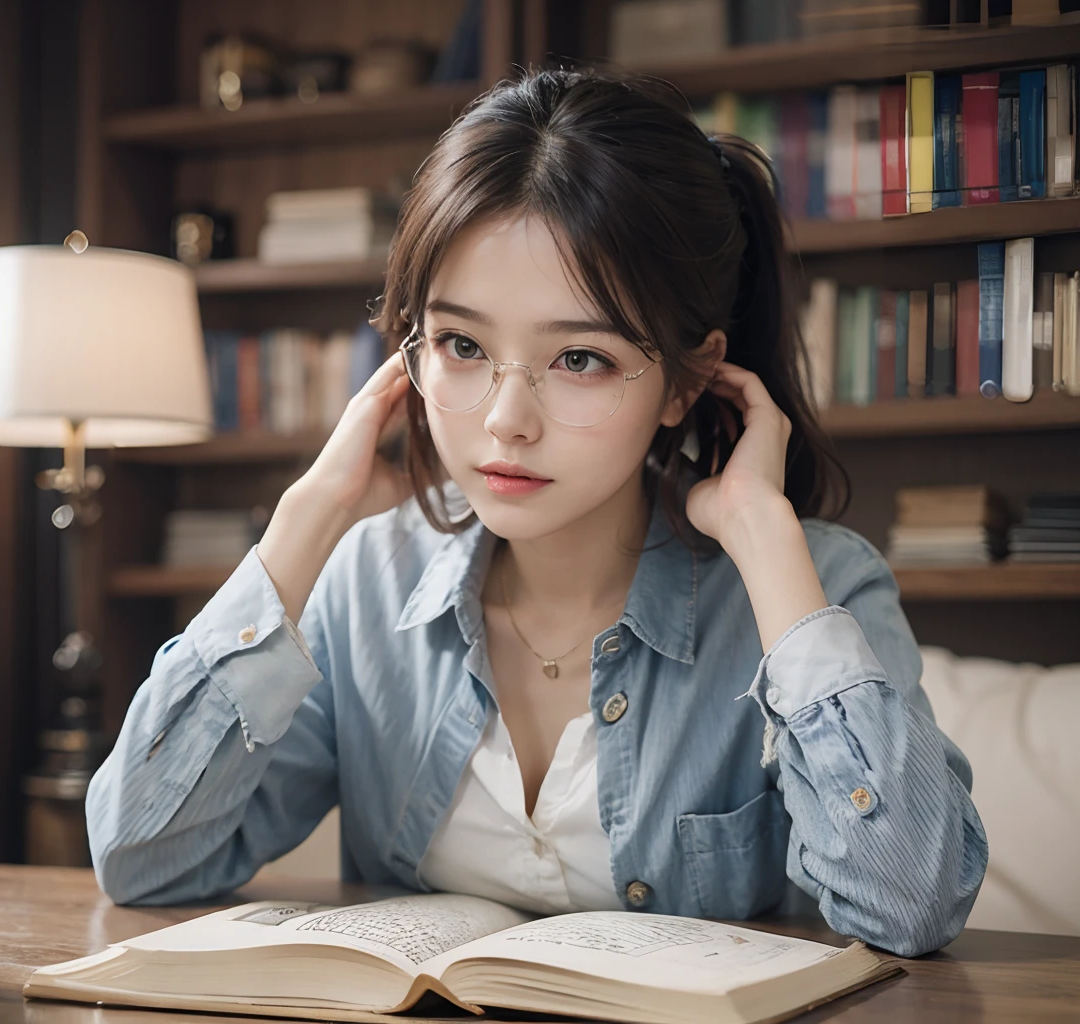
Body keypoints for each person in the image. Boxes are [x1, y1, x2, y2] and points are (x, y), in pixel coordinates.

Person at [86, 68, 987, 958]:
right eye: (462, 345)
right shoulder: (366, 581)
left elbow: (909, 905)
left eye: (580, 359)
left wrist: (760, 532)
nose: (504, 422)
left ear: (686, 379)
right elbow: (140, 859)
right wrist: (306, 520)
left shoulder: (808, 585)